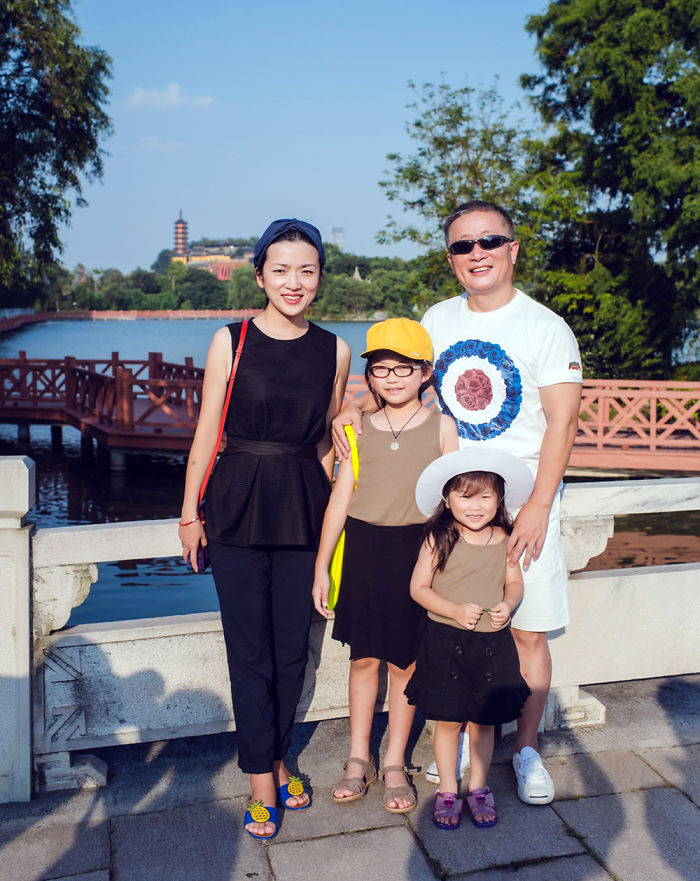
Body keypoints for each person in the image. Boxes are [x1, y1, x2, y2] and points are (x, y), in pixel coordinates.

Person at [333, 200, 582, 804]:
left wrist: (539, 505)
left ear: (513, 249)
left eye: (490, 241)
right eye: (463, 246)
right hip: (447, 506)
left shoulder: (545, 328)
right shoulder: (438, 319)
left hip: (520, 498)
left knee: (525, 630)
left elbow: (562, 422)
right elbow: (397, 383)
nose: (478, 254)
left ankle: (524, 750)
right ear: (450, 258)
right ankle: (463, 734)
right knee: (449, 624)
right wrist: (352, 407)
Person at [178, 218, 350, 840]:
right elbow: (207, 433)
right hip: (236, 504)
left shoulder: (335, 349)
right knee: (248, 649)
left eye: (306, 270)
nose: (294, 282)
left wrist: (337, 517)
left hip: (305, 504)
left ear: (320, 277)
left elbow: (330, 443)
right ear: (260, 275)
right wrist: (189, 512)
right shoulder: (232, 340)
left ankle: (278, 759)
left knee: (291, 650)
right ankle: (261, 779)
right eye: (280, 270)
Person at [313, 318, 458, 814]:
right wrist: (321, 566)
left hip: (418, 552)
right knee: (363, 658)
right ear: (368, 376)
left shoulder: (443, 428)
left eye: (403, 368)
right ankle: (359, 758)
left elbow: (453, 505)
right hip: (364, 549)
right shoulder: (355, 427)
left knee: (405, 662)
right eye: (380, 369)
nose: (392, 378)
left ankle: (394, 760)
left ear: (425, 372)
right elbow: (339, 500)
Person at [405, 448, 534, 829]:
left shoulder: (506, 539)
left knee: (483, 722)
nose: (475, 506)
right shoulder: (438, 537)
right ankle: (448, 789)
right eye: (464, 496)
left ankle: (478, 787)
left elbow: (514, 583)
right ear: (447, 499)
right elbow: (418, 588)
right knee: (447, 721)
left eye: (484, 496)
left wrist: (508, 605)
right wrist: (454, 610)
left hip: (492, 645)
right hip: (446, 643)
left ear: (499, 499)